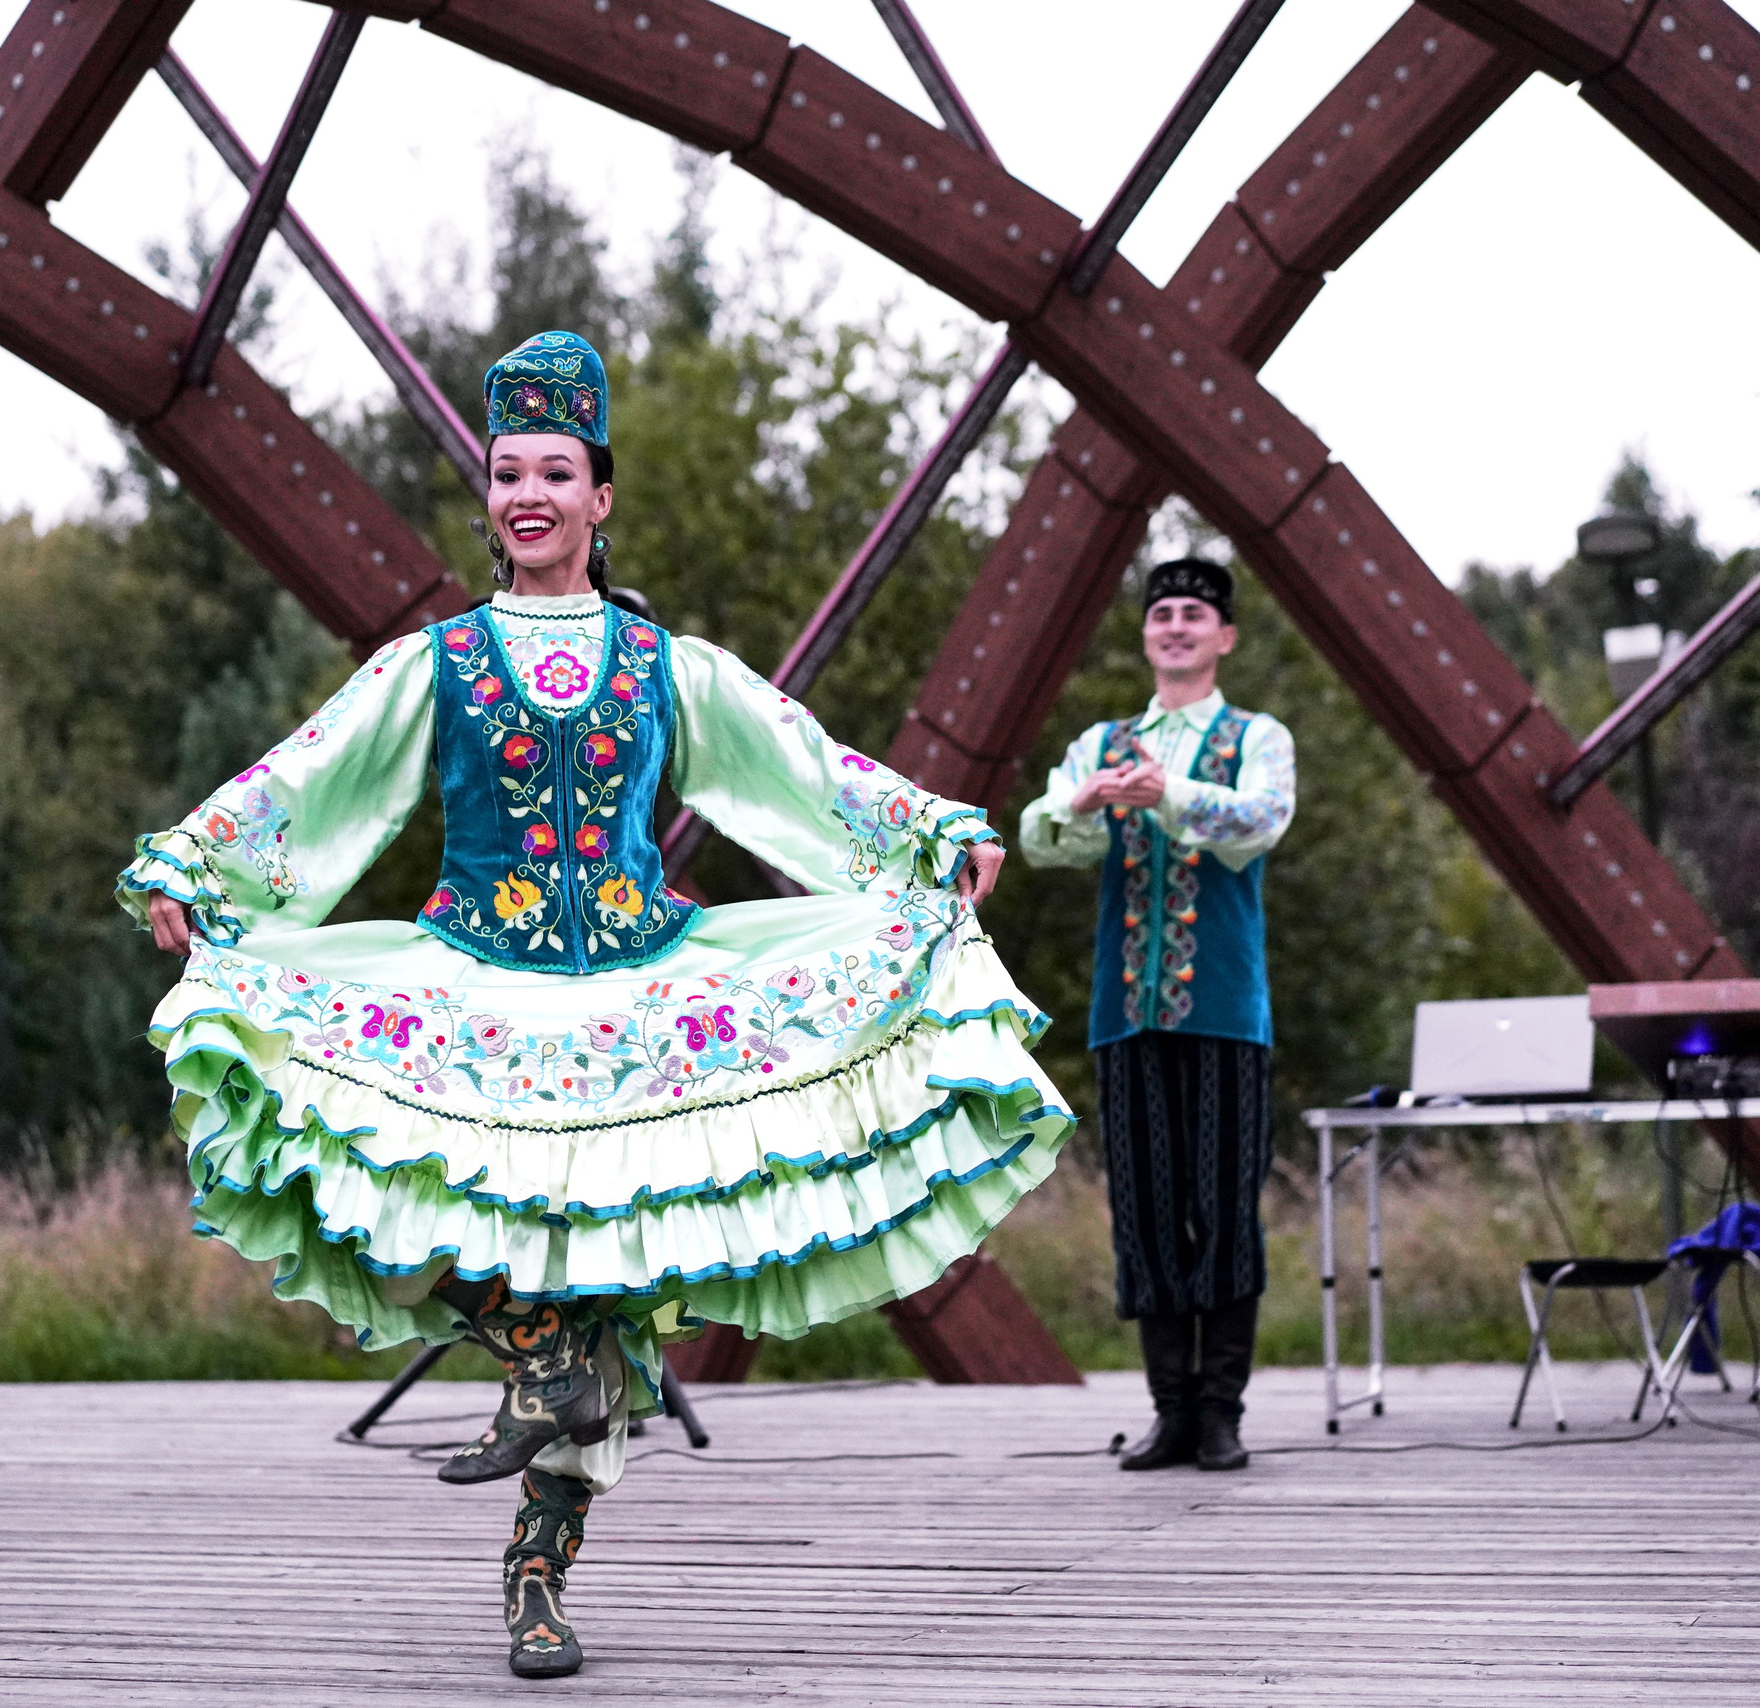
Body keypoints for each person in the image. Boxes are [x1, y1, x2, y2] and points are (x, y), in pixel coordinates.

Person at [118, 331, 1069, 1679]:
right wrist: (195, 869)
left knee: (614, 1290)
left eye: (555, 472)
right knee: (385, 1187)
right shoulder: (436, 664)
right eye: (508, 473)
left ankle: (538, 1575)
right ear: (491, 498)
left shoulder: (663, 665)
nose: (529, 494)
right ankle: (530, 1341)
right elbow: (314, 777)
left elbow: (802, 770)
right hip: (477, 989)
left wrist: (927, 836)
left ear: (599, 497)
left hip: (634, 996)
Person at [1018, 558, 1295, 1473]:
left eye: (1194, 615)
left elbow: (1258, 821)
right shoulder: (1105, 741)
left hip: (1222, 1010)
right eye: (1162, 613)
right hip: (1126, 1012)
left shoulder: (1258, 736)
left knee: (1222, 1209)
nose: (1175, 626)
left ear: (1225, 637)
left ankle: (1222, 1412)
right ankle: (1170, 1410)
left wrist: (1167, 794)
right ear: (1147, 635)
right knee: (1143, 1212)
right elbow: (1041, 833)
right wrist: (1088, 798)